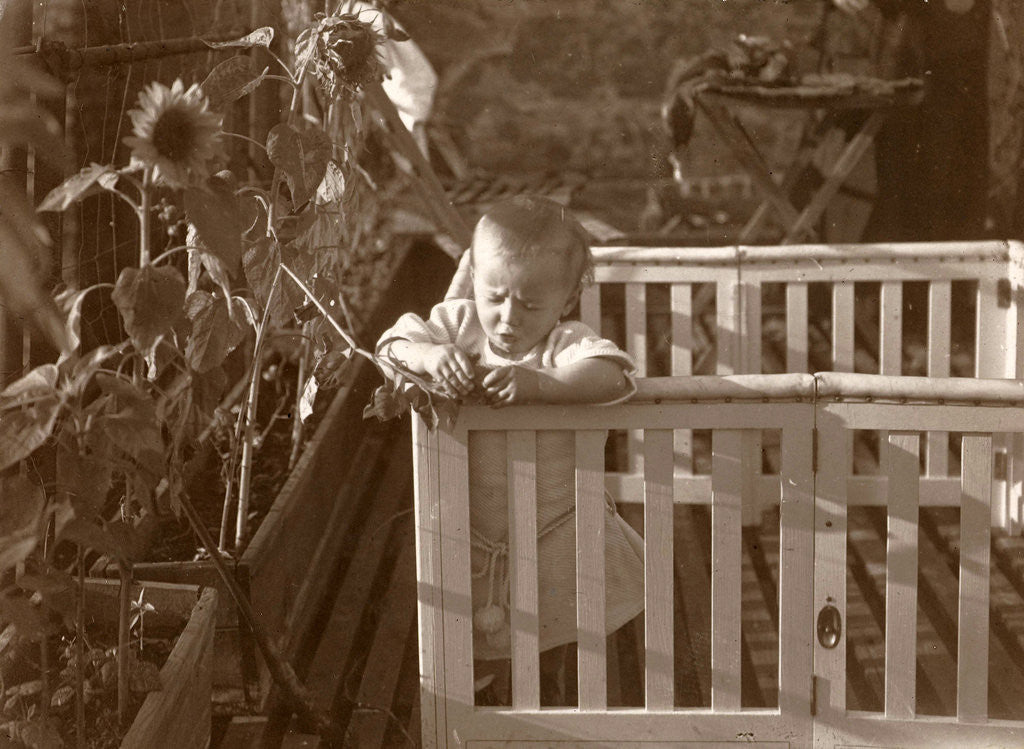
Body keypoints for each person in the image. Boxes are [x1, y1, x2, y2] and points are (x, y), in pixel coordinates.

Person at [376, 196, 645, 703]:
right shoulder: (457, 325)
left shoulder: (563, 342)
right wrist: (428, 354)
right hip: (470, 534)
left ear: (566, 301)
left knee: (548, 649)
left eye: (531, 305)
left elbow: (613, 374)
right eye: (495, 296)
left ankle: (547, 716)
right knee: (468, 653)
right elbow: (390, 346)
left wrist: (543, 383)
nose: (507, 319)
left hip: (553, 535)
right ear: (475, 278)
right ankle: (479, 713)